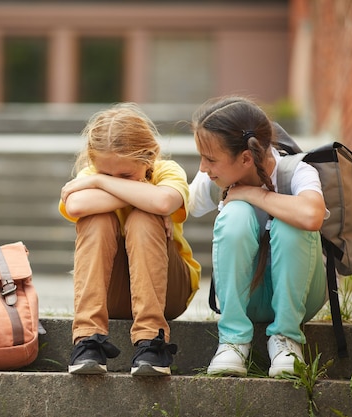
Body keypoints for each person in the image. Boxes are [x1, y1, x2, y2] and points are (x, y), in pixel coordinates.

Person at [188, 96, 328, 377]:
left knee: (292, 220)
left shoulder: (297, 170)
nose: (203, 168)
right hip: (246, 296)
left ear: (246, 158)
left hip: (301, 296)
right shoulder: (211, 178)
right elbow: (178, 204)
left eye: (210, 159)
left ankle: (287, 339)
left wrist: (254, 194)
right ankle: (233, 340)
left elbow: (312, 215)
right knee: (235, 214)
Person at [58, 103, 201, 376]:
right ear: (93, 161)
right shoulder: (92, 173)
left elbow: (162, 201)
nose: (113, 179)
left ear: (150, 157)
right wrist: (140, 193)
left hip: (169, 291)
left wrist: (101, 184)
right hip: (111, 293)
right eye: (106, 175)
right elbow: (76, 207)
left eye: (124, 175)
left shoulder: (167, 171)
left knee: (143, 218)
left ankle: (152, 341)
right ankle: (88, 339)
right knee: (96, 219)